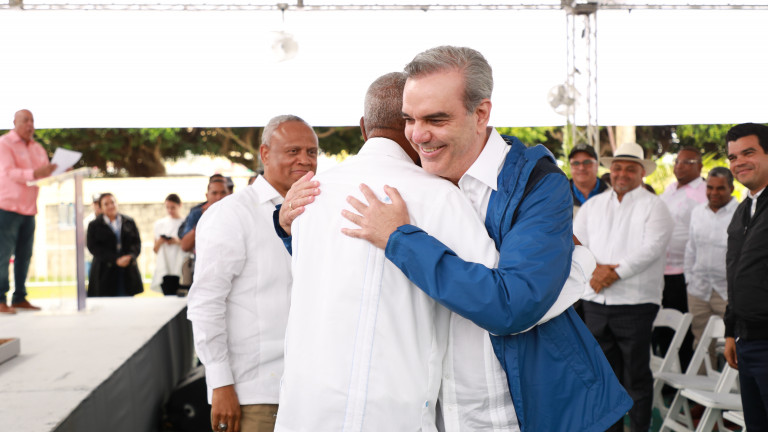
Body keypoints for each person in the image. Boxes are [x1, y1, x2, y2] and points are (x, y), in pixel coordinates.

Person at [315, 46, 631, 431]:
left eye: (436, 119)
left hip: (533, 409)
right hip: (441, 414)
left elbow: (513, 305)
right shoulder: (416, 179)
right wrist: (288, 225)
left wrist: (400, 239)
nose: (417, 135)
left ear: (481, 114)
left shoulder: (536, 181)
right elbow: (359, 274)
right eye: (409, 119)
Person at [187, 115, 318, 432]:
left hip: (313, 393)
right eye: (293, 151)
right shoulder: (232, 214)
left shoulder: (319, 210)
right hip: (255, 396)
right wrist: (220, 384)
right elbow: (206, 302)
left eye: (312, 152)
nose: (304, 159)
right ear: (265, 154)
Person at [574, 142, 673, 432]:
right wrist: (596, 271)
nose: (622, 174)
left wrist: (613, 274)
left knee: (636, 376)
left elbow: (652, 248)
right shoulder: (592, 206)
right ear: (610, 171)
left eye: (631, 169)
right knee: (605, 378)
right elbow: (576, 243)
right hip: (595, 301)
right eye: (617, 168)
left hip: (636, 303)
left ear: (642, 173)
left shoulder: (655, 206)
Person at [724, 122, 768, 432]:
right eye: (733, 157)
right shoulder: (743, 210)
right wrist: (731, 331)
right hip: (746, 341)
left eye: (748, 152)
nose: (739, 162)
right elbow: (736, 274)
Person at [0, 109, 56, 314]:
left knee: (24, 255)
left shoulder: (38, 148)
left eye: (32, 120)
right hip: (7, 208)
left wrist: (59, 172)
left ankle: (19, 297)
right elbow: (8, 172)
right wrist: (35, 173)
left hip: (30, 209)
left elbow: (45, 173)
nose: (30, 124)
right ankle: (0, 299)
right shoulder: (4, 144)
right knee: (3, 255)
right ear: (14, 122)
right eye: (25, 120)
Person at [656, 146, 707, 369]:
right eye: (677, 161)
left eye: (687, 162)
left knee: (684, 329)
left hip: (684, 273)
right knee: (663, 327)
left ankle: (685, 375)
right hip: (660, 271)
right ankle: (667, 376)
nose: (679, 166)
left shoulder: (704, 191)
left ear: (700, 166)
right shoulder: (669, 190)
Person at [684, 167, 736, 354]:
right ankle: (702, 376)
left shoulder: (741, 213)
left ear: (731, 188)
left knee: (736, 344)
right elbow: (691, 248)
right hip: (699, 291)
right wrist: (689, 279)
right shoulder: (698, 212)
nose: (714, 193)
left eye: (720, 188)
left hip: (728, 293)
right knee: (702, 347)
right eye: (710, 187)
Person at [86, 193, 144, 297]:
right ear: (101, 207)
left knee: (127, 301)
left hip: (126, 271)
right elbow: (93, 247)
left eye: (112, 202)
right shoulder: (94, 225)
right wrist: (115, 260)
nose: (110, 206)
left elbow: (136, 243)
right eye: (106, 204)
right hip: (104, 273)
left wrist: (130, 256)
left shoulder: (129, 221)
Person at [179, 175, 230, 253]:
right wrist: (203, 221)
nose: (219, 197)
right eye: (214, 193)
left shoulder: (234, 214)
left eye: (223, 193)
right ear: (207, 195)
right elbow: (185, 246)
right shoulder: (197, 214)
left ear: (229, 195)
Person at [150, 193, 187, 294]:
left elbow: (190, 246)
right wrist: (161, 241)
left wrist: (177, 242)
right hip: (165, 268)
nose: (170, 210)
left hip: (181, 267)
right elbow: (155, 249)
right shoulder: (160, 224)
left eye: (173, 207)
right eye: (167, 207)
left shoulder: (185, 222)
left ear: (180, 205)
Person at [569, 143, 608, 216]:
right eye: (576, 163)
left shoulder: (613, 195)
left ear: (597, 166)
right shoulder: (558, 197)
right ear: (570, 167)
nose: (581, 168)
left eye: (587, 162)